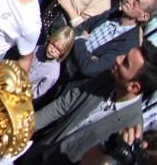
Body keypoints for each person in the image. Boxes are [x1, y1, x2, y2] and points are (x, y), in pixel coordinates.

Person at [23, 43, 157, 164]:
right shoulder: (107, 78)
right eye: (125, 55)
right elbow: (65, 103)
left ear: (134, 87)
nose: (118, 58)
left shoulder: (130, 130)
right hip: (41, 151)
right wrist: (24, 126)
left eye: (126, 63)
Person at [66, 0, 157, 80]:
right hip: (64, 58)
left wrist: (80, 39)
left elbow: (89, 68)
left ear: (144, 16)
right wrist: (87, 54)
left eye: (136, 1)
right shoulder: (113, 14)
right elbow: (82, 26)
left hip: (73, 80)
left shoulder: (128, 44)